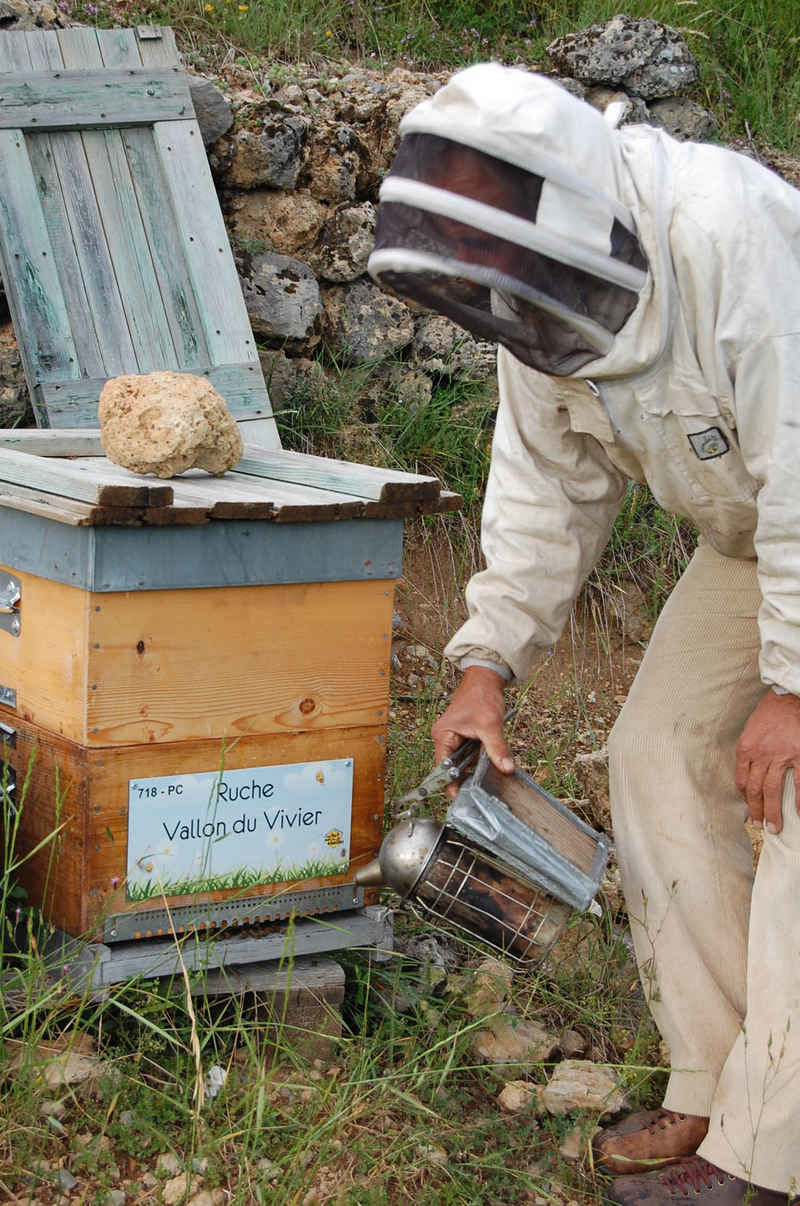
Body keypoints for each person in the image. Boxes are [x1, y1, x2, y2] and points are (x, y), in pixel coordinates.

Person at [367, 63, 800, 1206]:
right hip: (755, 535)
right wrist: (482, 664)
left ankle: (767, 1158)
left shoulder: (725, 231)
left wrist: (791, 688)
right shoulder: (536, 291)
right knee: (653, 751)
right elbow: (542, 491)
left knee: (787, 793)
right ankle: (713, 1081)